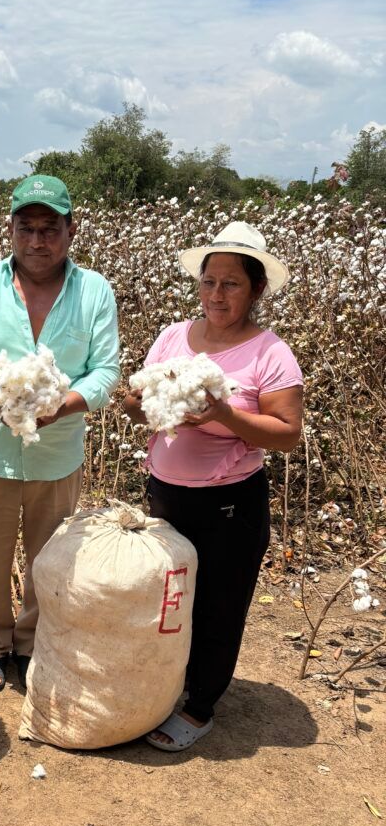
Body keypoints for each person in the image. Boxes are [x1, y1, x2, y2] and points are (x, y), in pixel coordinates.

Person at [122, 221, 303, 751]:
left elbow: (287, 434)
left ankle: (200, 705)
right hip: (166, 491)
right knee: (168, 596)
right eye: (209, 282)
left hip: (230, 503)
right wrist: (143, 405)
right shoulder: (173, 336)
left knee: (219, 604)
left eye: (231, 284)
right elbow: (139, 399)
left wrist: (222, 413)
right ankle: (167, 682)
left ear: (256, 291)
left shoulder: (270, 353)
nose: (216, 295)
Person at [0, 174, 120, 693]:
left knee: (50, 559)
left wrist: (62, 406)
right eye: (27, 228)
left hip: (58, 454)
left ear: (70, 230)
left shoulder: (94, 291)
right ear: (11, 230)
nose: (38, 240)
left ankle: (35, 641)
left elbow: (105, 370)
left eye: (49, 228)